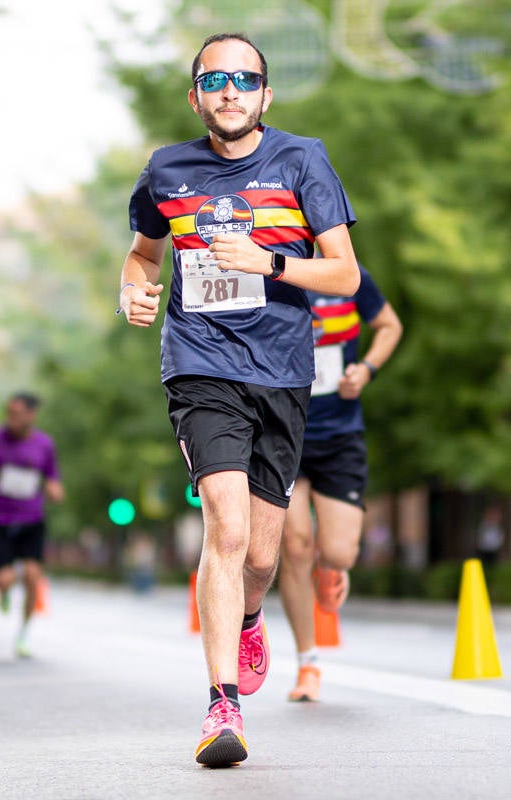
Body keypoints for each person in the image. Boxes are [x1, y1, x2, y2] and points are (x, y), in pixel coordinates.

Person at [119, 32, 360, 767]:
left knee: (262, 552)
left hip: (283, 374)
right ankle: (222, 704)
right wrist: (132, 288)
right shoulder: (166, 171)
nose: (229, 91)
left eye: (244, 80)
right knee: (223, 530)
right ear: (196, 95)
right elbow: (142, 251)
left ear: (264, 95)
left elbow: (345, 275)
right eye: (214, 79)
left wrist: (271, 262)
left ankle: (251, 612)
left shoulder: (302, 159)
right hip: (200, 366)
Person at [278, 264, 401, 702]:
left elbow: (389, 325)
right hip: (283, 431)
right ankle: (307, 663)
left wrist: (366, 368)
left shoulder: (350, 276)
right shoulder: (270, 270)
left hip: (339, 435)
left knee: (336, 551)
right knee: (294, 545)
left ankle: (332, 565)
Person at [0, 392, 63, 658]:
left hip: (32, 518)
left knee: (33, 577)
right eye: (8, 413)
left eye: (17, 413)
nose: (11, 419)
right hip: (0, 518)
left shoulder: (44, 444)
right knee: (5, 578)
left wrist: (55, 490)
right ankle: (3, 589)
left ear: (31, 415)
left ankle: (23, 632)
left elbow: (52, 477)